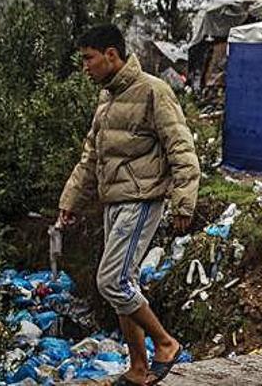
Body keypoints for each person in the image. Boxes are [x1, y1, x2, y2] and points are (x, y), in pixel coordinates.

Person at [57, 25, 200, 385]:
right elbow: (91, 156)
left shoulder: (154, 91)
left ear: (111, 54)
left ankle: (165, 344)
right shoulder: (107, 99)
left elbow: (181, 147)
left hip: (142, 199)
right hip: (114, 202)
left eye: (89, 59)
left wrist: (184, 201)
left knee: (112, 280)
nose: (85, 67)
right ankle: (138, 368)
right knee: (125, 283)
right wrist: (70, 201)